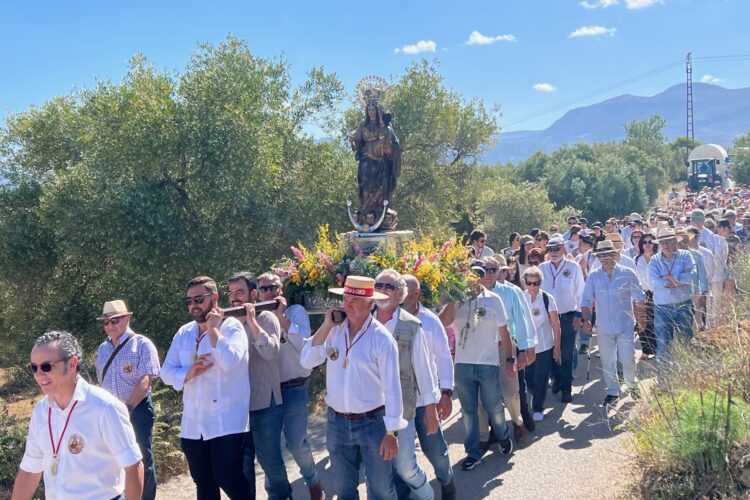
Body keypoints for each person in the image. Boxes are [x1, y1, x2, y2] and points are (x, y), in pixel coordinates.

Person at [300, 276, 405, 499]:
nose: (348, 304)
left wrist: (392, 432)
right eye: (345, 299)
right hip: (336, 422)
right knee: (344, 489)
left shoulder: (382, 339)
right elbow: (307, 360)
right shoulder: (334, 331)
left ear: (370, 304)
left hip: (372, 423)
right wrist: (327, 324)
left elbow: (393, 388)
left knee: (381, 489)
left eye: (355, 300)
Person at [13, 331, 144, 500]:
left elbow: (133, 467)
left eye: (46, 366)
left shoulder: (105, 407)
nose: (39, 374)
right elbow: (30, 471)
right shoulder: (41, 411)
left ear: (72, 363)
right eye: (34, 368)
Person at [161, 276, 252, 500]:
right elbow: (166, 372)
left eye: (199, 299)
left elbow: (230, 362)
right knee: (204, 484)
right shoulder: (183, 333)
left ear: (215, 298)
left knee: (230, 479)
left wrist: (213, 330)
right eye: (189, 300)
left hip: (227, 422)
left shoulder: (232, 327)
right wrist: (188, 373)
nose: (194, 305)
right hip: (194, 424)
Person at [254, 273, 324, 500]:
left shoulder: (296, 313)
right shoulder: (257, 318)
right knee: (269, 448)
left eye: (273, 287)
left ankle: (312, 479)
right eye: (263, 289)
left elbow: (304, 345)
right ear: (257, 293)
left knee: (296, 441)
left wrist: (281, 316)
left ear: (281, 289)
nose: (268, 292)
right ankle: (279, 493)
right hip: (269, 390)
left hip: (294, 386)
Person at [439, 264, 514, 471]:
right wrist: (455, 298)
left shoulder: (493, 299)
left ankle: (502, 435)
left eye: (478, 275)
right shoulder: (456, 299)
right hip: (463, 365)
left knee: (493, 406)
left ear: (482, 278)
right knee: (468, 411)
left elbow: (504, 332)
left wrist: (510, 359)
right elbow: (442, 322)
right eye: (469, 275)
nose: (474, 279)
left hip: (487, 363)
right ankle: (473, 452)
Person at [372, 269, 439, 500]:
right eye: (378, 285)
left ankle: (426, 495)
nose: (381, 290)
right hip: (370, 411)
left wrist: (430, 408)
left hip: (402, 408)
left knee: (405, 466)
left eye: (388, 287)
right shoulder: (362, 320)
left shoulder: (412, 325)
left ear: (400, 293)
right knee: (379, 470)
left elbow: (424, 369)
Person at [226, 272, 290, 500]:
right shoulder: (228, 324)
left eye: (240, 292)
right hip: (238, 406)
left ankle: (282, 497)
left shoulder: (267, 319)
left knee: (269, 461)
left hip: (265, 403)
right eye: (231, 293)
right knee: (242, 464)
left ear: (253, 294)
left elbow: (271, 352)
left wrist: (252, 322)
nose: (234, 298)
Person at [95, 300, 160, 500]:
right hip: (110, 413)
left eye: (115, 320)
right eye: (106, 322)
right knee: (115, 460)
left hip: (136, 410)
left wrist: (127, 408)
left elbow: (146, 380)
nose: (110, 326)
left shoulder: (141, 344)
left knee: (141, 459)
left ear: (127, 318)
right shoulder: (102, 349)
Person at [402, 274, 457, 500]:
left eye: (405, 291)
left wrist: (446, 394)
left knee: (434, 448)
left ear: (417, 294)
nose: (400, 295)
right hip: (401, 400)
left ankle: (446, 481)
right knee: (401, 457)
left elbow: (444, 358)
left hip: (427, 399)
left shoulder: (431, 321)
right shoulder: (389, 318)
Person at [581, 241, 646, 405]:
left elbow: (640, 298)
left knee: (627, 359)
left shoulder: (628, 273)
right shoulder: (594, 276)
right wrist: (586, 320)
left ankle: (632, 385)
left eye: (607, 254)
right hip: (603, 327)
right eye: (601, 255)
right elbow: (586, 300)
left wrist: (642, 319)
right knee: (607, 361)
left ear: (615, 255)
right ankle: (612, 391)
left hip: (625, 325)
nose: (604, 258)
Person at [539, 237, 585, 403]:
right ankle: (556, 377)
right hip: (546, 318)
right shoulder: (542, 268)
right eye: (550, 249)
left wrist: (580, 314)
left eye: (557, 248)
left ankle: (567, 388)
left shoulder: (573, 267)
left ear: (564, 249)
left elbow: (581, 292)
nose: (554, 252)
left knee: (566, 354)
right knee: (549, 351)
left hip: (568, 316)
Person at [349, 95, 401, 228]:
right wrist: (352, 141)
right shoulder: (363, 125)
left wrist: (386, 144)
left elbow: (394, 145)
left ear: (378, 111)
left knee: (381, 185)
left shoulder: (384, 127)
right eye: (369, 110)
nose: (371, 112)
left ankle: (379, 211)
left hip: (381, 162)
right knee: (366, 184)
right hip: (366, 161)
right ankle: (365, 212)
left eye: (373, 109)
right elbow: (357, 144)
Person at [648, 228, 697, 358]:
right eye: (663, 242)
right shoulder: (654, 260)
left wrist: (669, 278)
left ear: (675, 241)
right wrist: (680, 278)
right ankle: (664, 375)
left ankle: (686, 373)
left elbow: (692, 276)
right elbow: (653, 281)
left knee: (685, 340)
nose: (666, 245)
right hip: (662, 306)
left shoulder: (686, 255)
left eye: (669, 241)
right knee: (663, 344)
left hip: (683, 304)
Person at [522, 267, 561, 421]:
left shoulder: (547, 298)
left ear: (540, 283)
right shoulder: (520, 297)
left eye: (536, 283)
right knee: (528, 377)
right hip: (526, 345)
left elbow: (555, 324)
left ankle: (538, 407)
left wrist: (557, 347)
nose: (532, 286)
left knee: (541, 377)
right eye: (529, 283)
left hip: (544, 345)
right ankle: (533, 393)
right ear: (524, 282)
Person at [634, 234, 659, 357]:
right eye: (645, 242)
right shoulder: (636, 259)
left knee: (657, 321)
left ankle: (659, 349)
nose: (648, 244)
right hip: (642, 293)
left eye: (650, 241)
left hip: (658, 293)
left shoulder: (659, 258)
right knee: (643, 321)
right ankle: (646, 350)